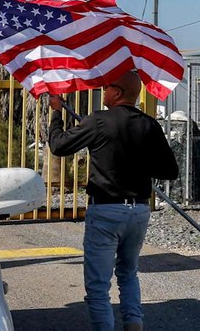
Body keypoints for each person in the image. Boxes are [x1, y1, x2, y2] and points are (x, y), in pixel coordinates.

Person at [48, 70, 178, 331]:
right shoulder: (149, 124)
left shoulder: (99, 121)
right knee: (128, 273)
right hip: (138, 212)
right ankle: (134, 323)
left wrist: (56, 113)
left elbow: (59, 145)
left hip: (106, 211)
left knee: (98, 285)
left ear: (117, 92)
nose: (103, 91)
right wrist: (139, 161)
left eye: (106, 86)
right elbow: (170, 171)